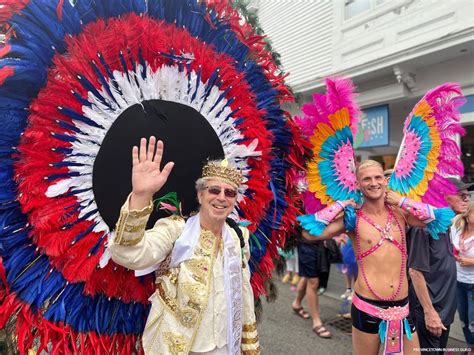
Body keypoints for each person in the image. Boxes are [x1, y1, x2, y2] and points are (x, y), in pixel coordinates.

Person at [109, 137, 260, 355]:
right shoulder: (177, 230)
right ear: (200, 194)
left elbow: (242, 292)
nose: (221, 197)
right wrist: (141, 196)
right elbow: (129, 255)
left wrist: (248, 346)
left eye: (229, 193)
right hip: (179, 347)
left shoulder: (238, 236)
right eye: (214, 190)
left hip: (226, 347)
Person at [299, 160, 455, 355]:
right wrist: (340, 205)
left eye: (378, 177)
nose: (373, 183)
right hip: (367, 307)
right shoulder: (352, 218)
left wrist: (401, 201)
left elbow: (440, 220)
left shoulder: (401, 213)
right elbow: (309, 234)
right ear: (358, 184)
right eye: (366, 179)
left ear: (385, 180)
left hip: (403, 307)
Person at [408, 177, 471, 355]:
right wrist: (429, 312)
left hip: (445, 307)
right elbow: (415, 272)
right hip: (430, 310)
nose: (467, 199)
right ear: (443, 196)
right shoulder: (424, 226)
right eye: (461, 195)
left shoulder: (447, 224)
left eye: (468, 195)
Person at [291, 226, 332, 338]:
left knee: (308, 277)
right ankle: (316, 321)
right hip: (307, 242)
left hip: (320, 242)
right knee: (313, 281)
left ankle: (297, 303)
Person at [451, 201, 474, 354]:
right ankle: (470, 347)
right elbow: (448, 245)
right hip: (459, 281)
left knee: (473, 319)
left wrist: (471, 261)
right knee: (464, 319)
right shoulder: (456, 227)